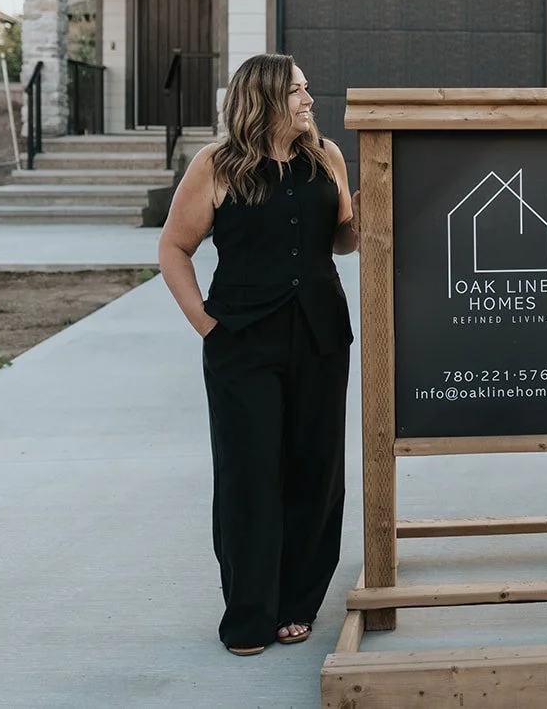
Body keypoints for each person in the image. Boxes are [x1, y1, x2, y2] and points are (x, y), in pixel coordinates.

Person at [158, 54, 358, 656]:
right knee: (250, 475)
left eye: (306, 87)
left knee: (315, 471)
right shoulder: (216, 165)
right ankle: (249, 613)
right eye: (297, 90)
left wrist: (367, 210)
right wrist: (206, 324)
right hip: (242, 341)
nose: (309, 98)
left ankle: (297, 602)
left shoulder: (327, 157)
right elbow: (173, 247)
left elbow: (344, 240)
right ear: (267, 99)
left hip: (321, 335)